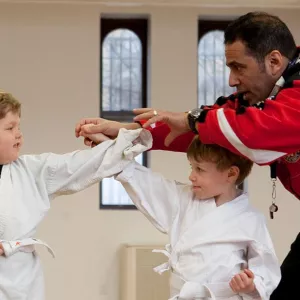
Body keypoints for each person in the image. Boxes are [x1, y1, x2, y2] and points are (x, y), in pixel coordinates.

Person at [75, 11, 300, 299]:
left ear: (274, 61)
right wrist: (125, 133)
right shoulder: (263, 98)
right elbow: (209, 133)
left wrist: (192, 118)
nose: (232, 80)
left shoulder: (291, 97)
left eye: (239, 67)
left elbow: (255, 134)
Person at [79, 125, 280, 300]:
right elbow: (138, 177)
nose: (191, 176)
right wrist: (108, 147)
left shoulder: (251, 220)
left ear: (231, 173)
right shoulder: (182, 198)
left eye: (200, 170)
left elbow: (266, 271)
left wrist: (251, 286)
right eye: (191, 167)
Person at [0, 91, 148, 300]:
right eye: (10, 128)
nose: (19, 134)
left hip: (21, 283)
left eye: (19, 127)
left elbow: (81, 165)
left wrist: (119, 140)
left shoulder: (34, 171)